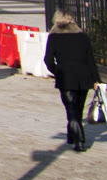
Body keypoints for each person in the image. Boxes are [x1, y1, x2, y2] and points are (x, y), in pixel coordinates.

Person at [43, 11, 100, 151]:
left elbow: (48, 60)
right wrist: (96, 80)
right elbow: (90, 60)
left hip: (66, 77)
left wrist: (57, 72)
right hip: (84, 76)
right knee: (78, 109)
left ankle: (79, 141)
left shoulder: (54, 36)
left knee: (71, 110)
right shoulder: (82, 36)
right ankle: (71, 136)